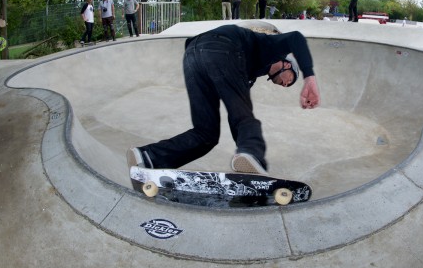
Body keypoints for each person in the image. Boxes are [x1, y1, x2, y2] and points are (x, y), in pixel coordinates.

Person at [127, 24, 321, 175]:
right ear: (287, 64)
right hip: (222, 48)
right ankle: (252, 154)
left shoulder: (248, 75)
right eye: (291, 80)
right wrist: (309, 78)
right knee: (246, 120)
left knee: (206, 134)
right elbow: (296, 37)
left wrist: (242, 152)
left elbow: (235, 112)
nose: (287, 85)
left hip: (192, 57)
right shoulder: (273, 48)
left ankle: (149, 157)